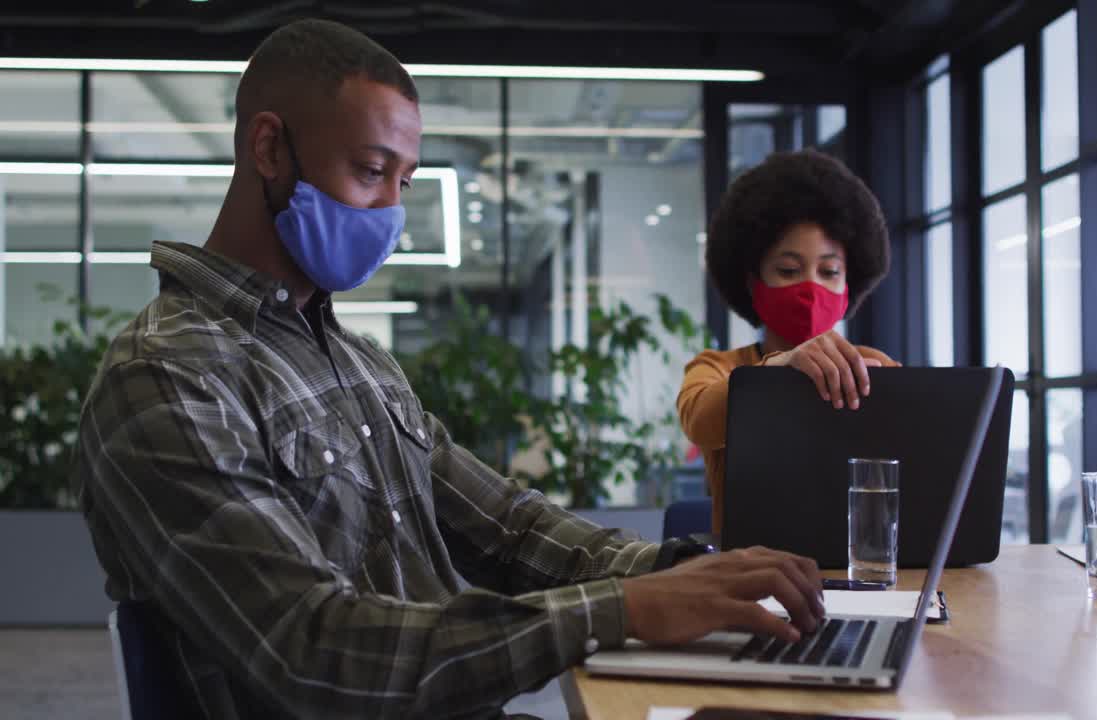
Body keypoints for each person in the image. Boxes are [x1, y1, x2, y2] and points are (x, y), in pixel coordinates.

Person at [72, 19, 825, 720]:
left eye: (404, 182)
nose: (391, 213)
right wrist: (624, 609)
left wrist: (685, 572)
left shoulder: (357, 362)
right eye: (371, 170)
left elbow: (509, 530)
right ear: (269, 149)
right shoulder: (167, 377)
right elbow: (311, 650)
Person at [678, 150, 897, 535]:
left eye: (829, 271)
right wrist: (781, 366)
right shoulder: (716, 369)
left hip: (854, 572)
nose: (811, 288)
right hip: (748, 573)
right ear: (751, 281)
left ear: (850, 284)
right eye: (788, 270)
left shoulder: (872, 367)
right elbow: (700, 420)